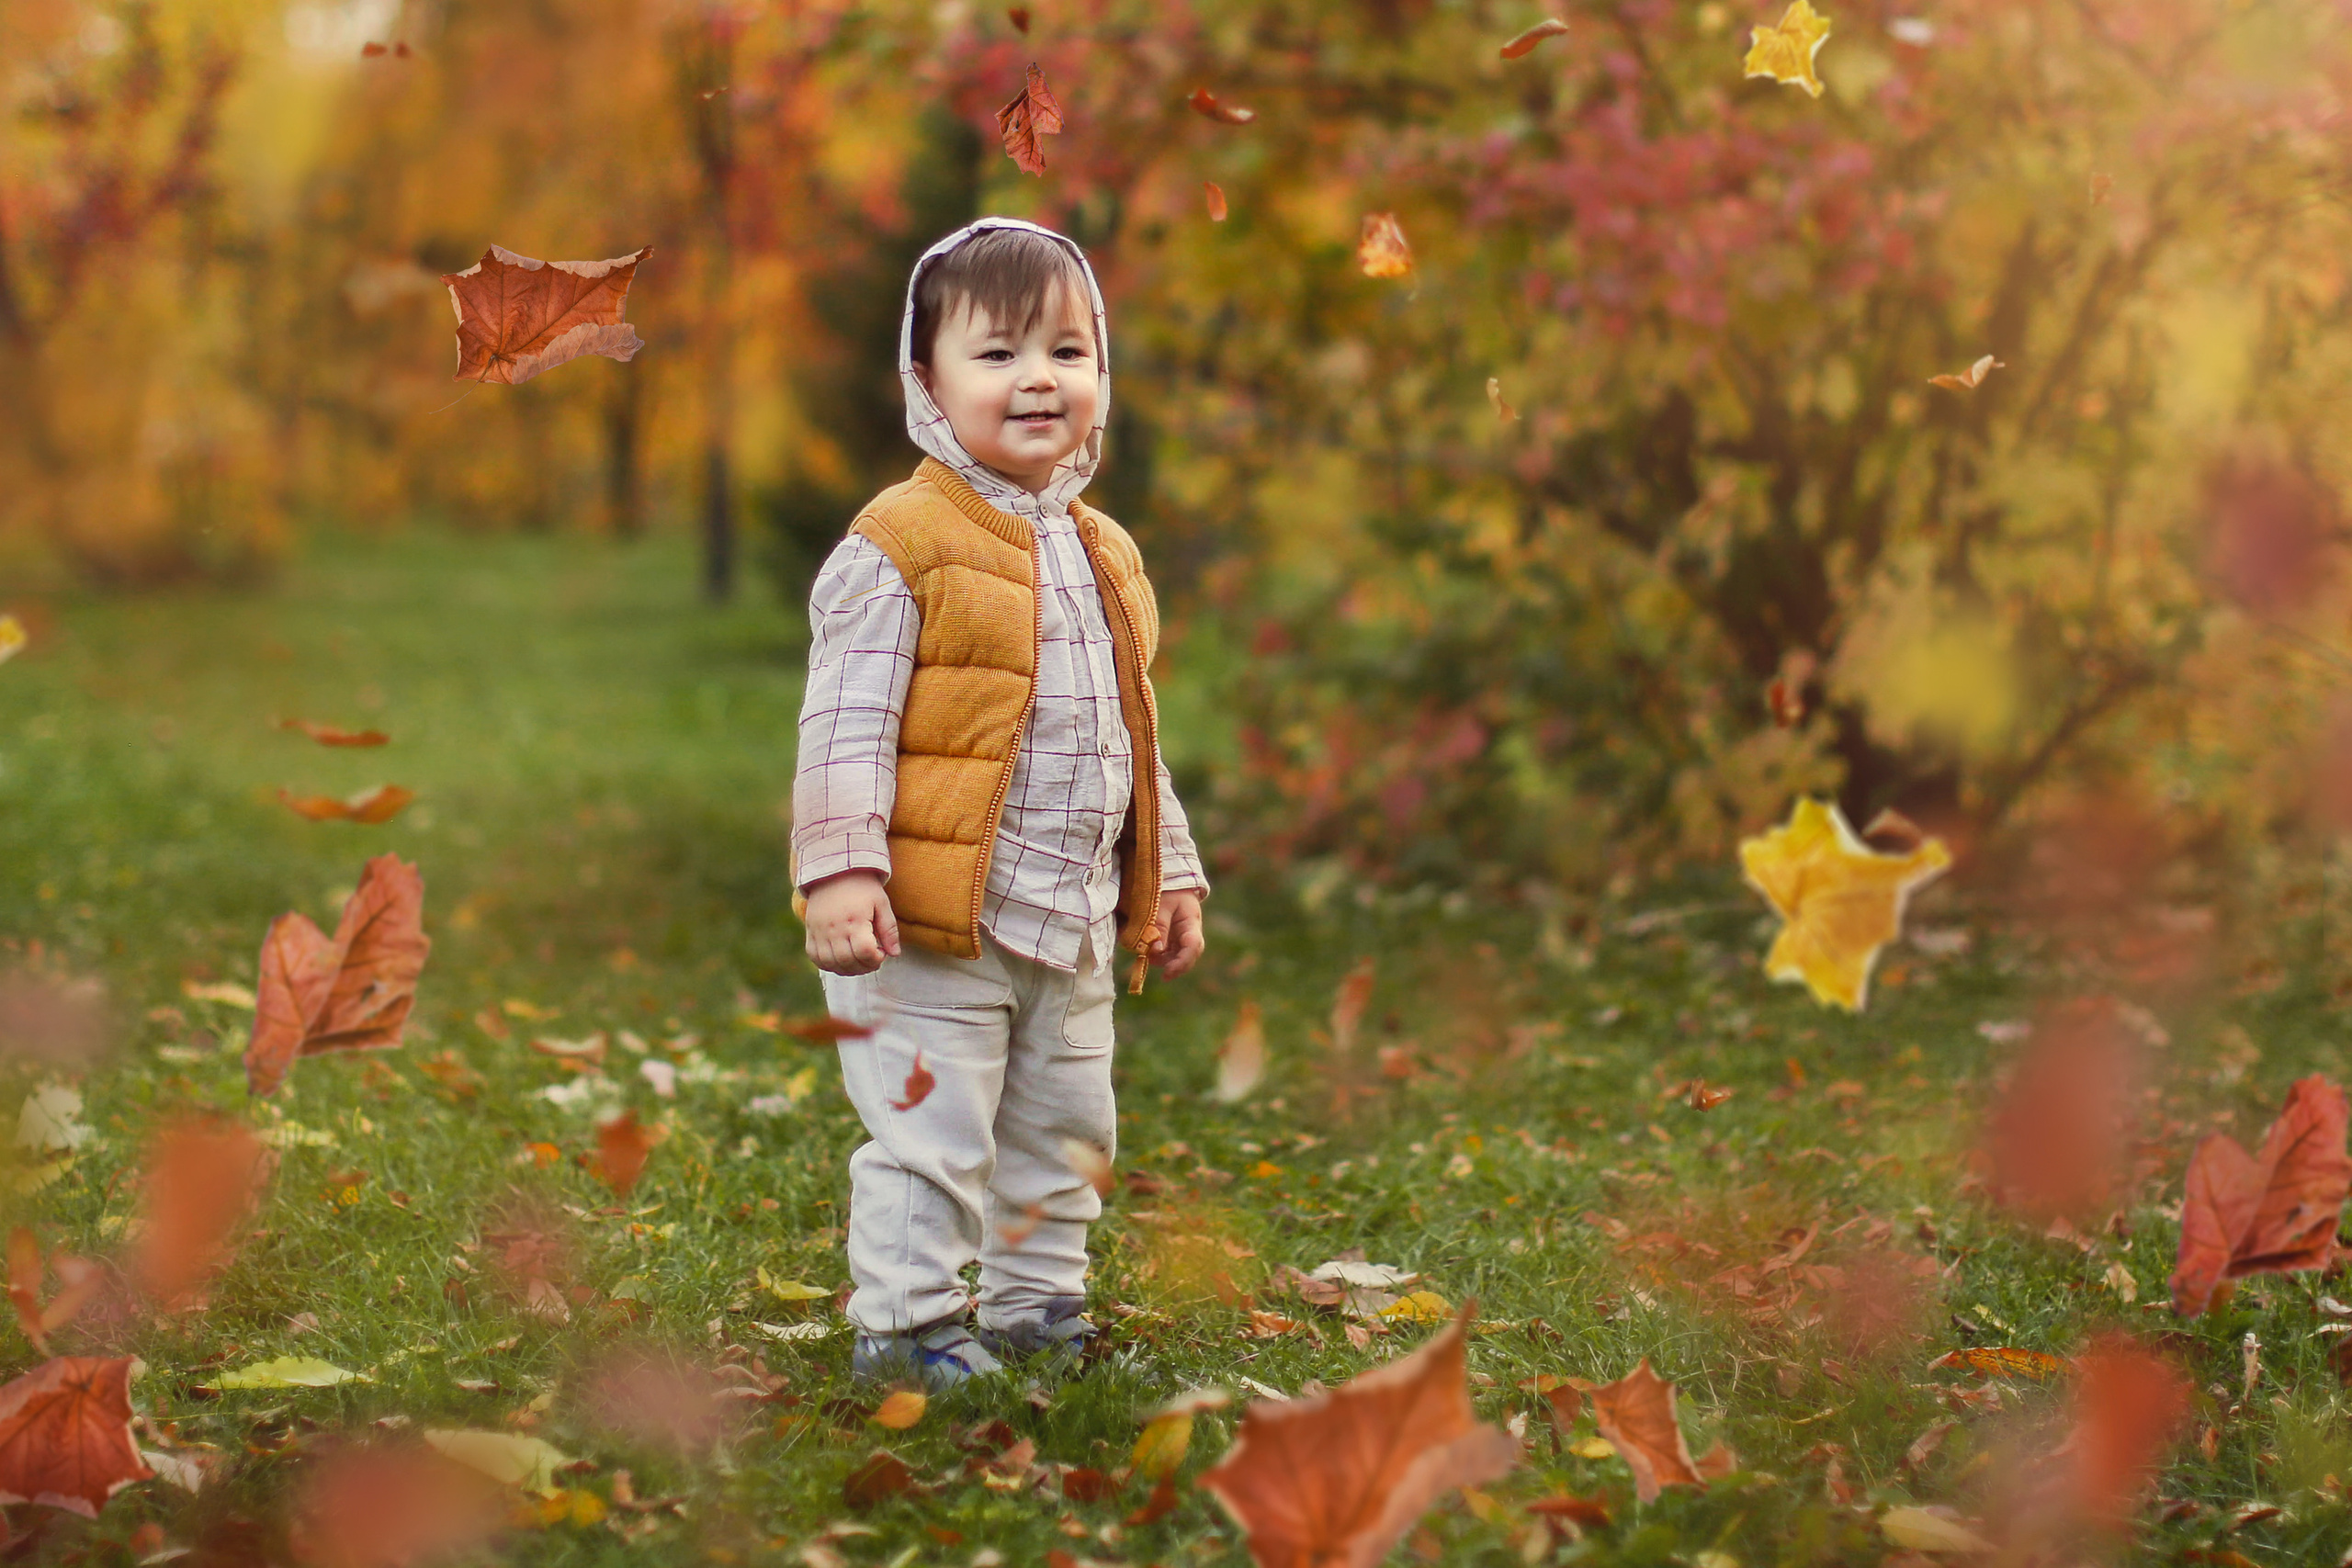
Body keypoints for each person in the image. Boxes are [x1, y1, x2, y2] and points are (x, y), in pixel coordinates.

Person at [789, 218, 1209, 1392]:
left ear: (1102, 377)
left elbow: (1135, 729)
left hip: (1068, 915)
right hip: (930, 923)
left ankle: (1034, 1306)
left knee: (1065, 1131)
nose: (1039, 378)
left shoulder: (1106, 550)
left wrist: (1165, 870)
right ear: (926, 385)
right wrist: (840, 871)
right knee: (933, 1136)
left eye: (1069, 352)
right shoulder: (897, 545)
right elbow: (844, 725)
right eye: (999, 353)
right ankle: (911, 1329)